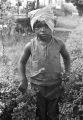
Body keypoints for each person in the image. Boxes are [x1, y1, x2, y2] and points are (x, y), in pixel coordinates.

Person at [18, 7, 71, 120]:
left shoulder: (59, 44)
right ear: (33, 28)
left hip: (55, 85)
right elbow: (22, 62)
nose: (43, 30)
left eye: (46, 25)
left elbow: (66, 57)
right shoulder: (30, 46)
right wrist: (23, 80)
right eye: (38, 27)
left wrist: (67, 73)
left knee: (53, 114)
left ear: (52, 25)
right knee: (40, 114)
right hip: (37, 87)